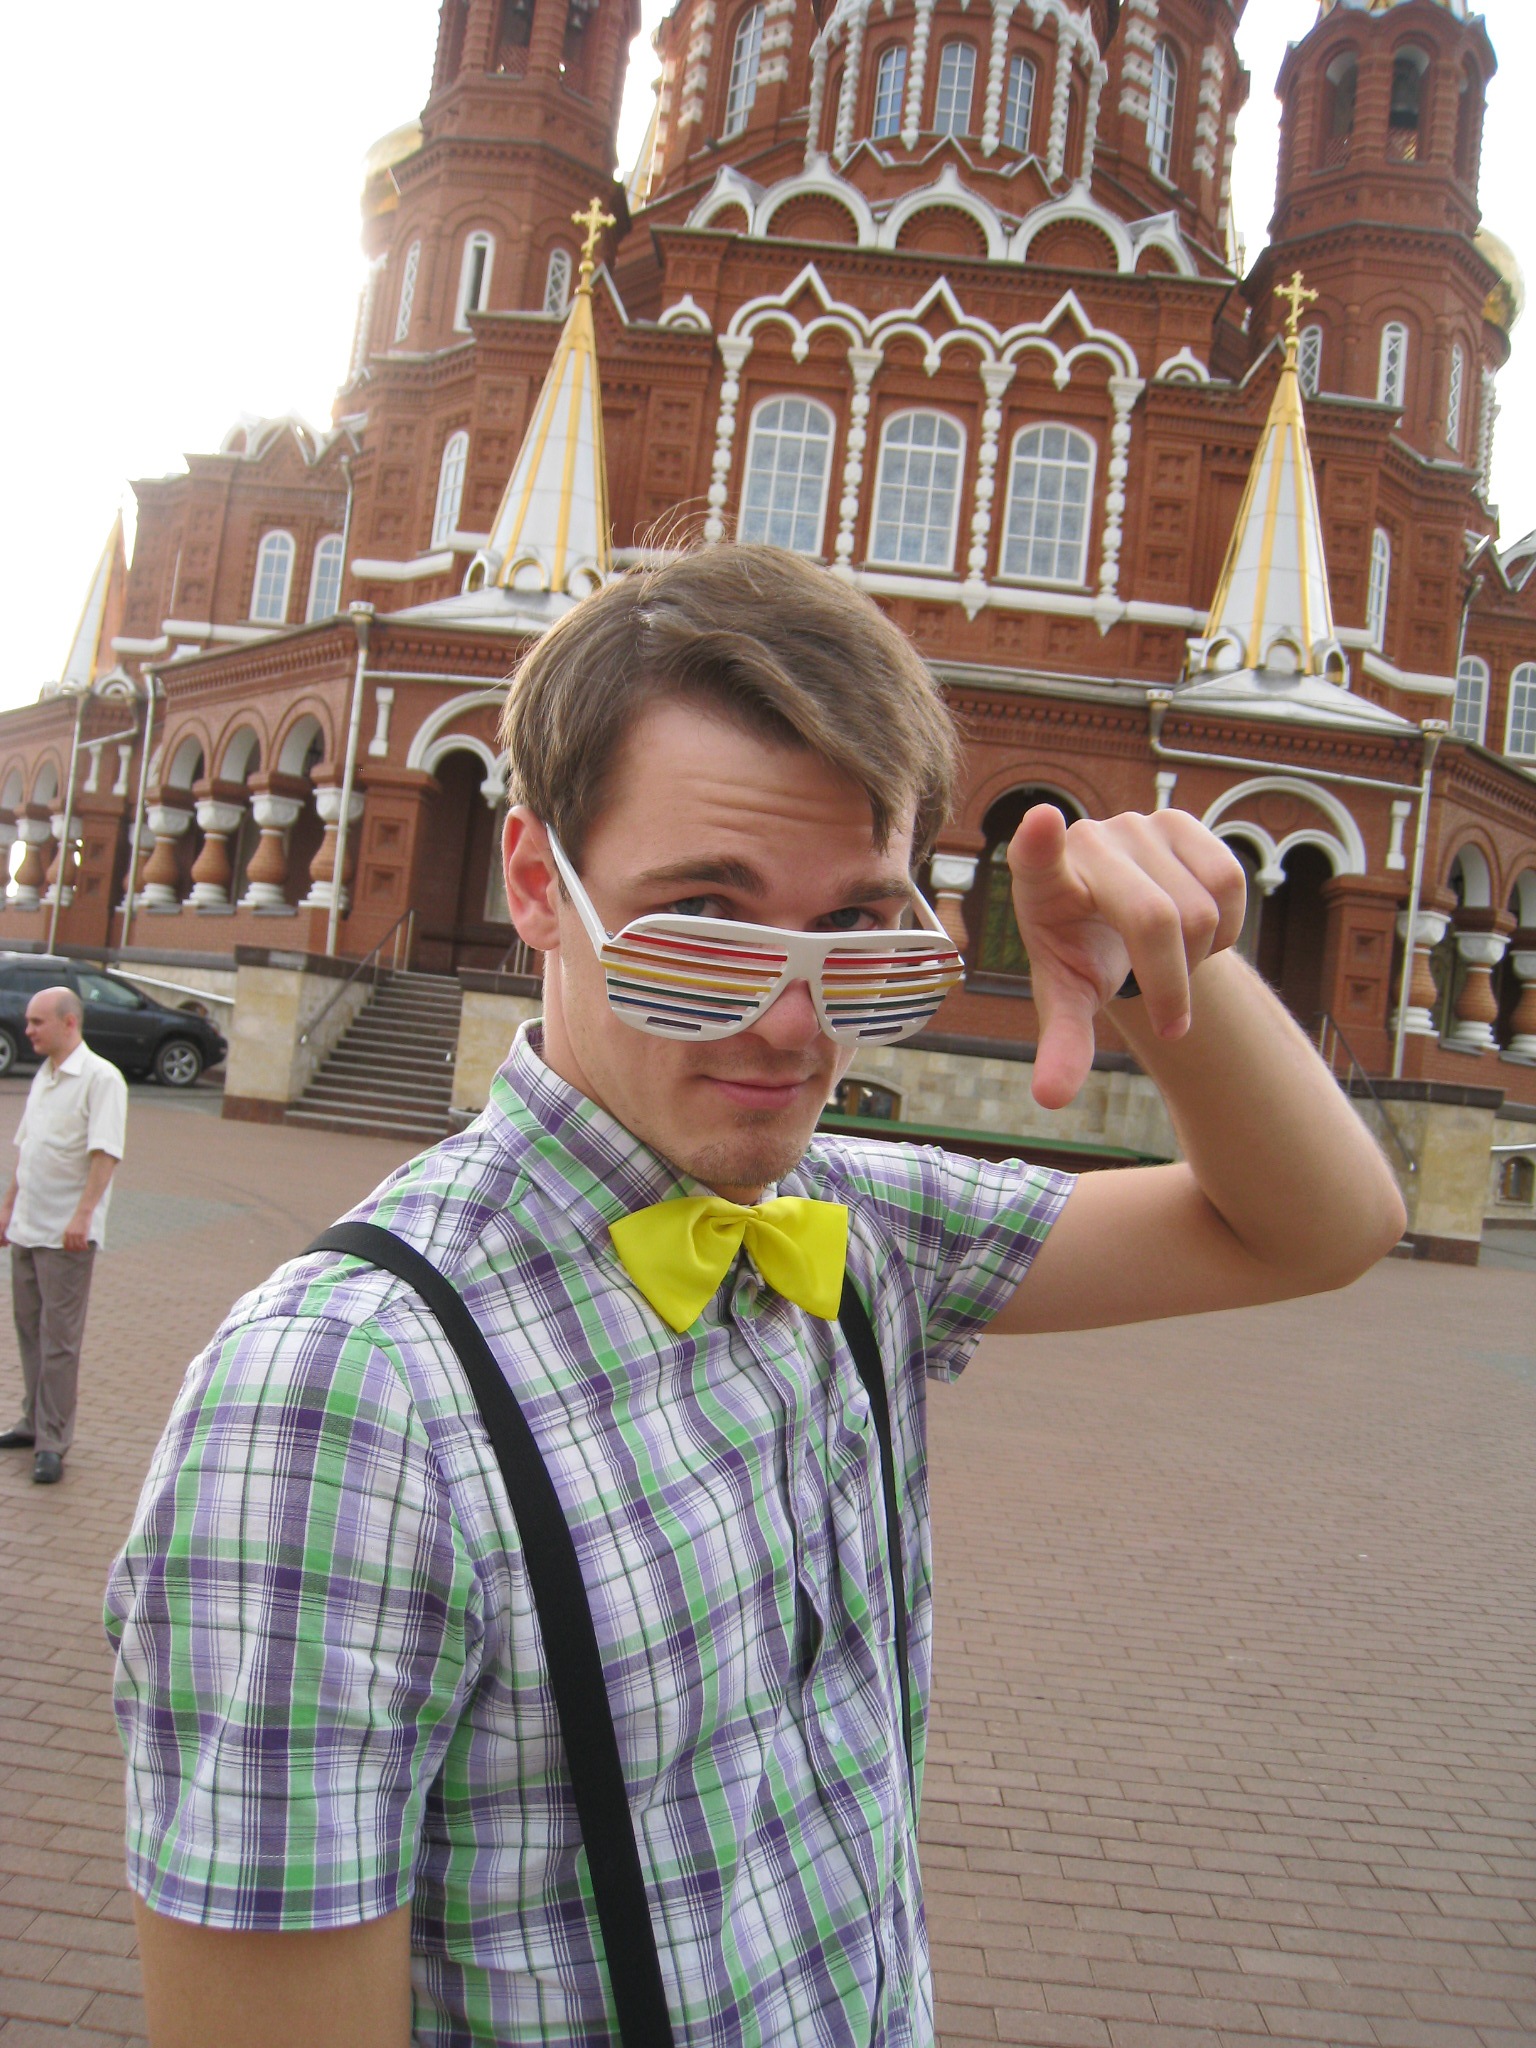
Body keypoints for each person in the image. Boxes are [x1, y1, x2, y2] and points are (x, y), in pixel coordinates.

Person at [106, 547, 1405, 2048]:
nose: (793, 1025)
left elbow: (1321, 1228)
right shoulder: (343, 1399)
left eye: (857, 937)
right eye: (703, 924)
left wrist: (1166, 969)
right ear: (536, 884)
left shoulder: (852, 1222)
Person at [0, 985, 128, 1485]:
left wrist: (83, 1215)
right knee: (29, 1330)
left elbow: (106, 1153)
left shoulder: (101, 1079)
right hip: (28, 1227)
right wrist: (8, 1206)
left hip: (66, 1236)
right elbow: (27, 1147)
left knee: (59, 1341)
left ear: (68, 1022)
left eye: (37, 1022)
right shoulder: (45, 1074)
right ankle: (32, 1421)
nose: (27, 1030)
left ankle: (53, 1441)